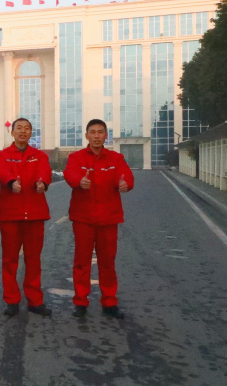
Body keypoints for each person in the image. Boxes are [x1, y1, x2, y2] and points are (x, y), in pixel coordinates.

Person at [64, 119, 134, 319]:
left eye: (100, 132)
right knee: (82, 261)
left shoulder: (115, 158)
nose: (96, 136)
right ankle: (80, 301)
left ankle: (109, 302)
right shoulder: (76, 157)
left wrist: (125, 184)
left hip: (108, 218)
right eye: (92, 132)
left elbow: (126, 176)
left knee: (107, 262)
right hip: (83, 217)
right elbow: (69, 174)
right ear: (86, 135)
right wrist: (79, 181)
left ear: (106, 136)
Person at [0, 118, 53, 317]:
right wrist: (11, 183)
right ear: (12, 132)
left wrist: (42, 183)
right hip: (10, 215)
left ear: (31, 133)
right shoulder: (2, 156)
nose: (22, 131)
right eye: (19, 128)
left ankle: (35, 300)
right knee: (10, 260)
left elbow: (44, 172)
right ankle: (11, 300)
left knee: (33, 260)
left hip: (35, 214)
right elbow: (2, 172)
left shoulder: (39, 156)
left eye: (27, 128)